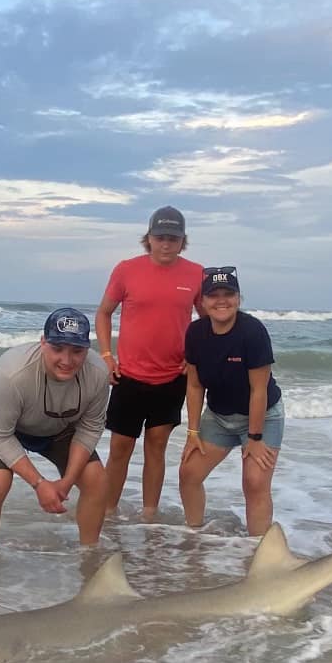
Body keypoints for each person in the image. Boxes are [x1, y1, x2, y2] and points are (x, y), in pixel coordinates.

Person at [0, 308, 109, 559]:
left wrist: (66, 482)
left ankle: (90, 558)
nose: (67, 360)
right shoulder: (10, 374)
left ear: (87, 348)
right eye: (57, 348)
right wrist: (40, 483)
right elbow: (0, 436)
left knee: (95, 479)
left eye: (77, 351)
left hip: (57, 424)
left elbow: (89, 428)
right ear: (43, 342)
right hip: (0, 424)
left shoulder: (98, 374)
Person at [94, 206, 204, 520]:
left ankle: (149, 516)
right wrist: (106, 355)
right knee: (120, 447)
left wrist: (193, 357)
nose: (166, 244)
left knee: (156, 447)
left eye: (173, 238)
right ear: (149, 239)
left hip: (172, 377)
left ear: (183, 241)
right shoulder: (127, 269)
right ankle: (108, 512)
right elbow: (103, 312)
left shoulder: (196, 273)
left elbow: (208, 322)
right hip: (129, 375)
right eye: (160, 237)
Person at [178, 266, 285, 536]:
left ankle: (258, 551)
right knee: (188, 474)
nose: (221, 300)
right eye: (213, 295)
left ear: (239, 299)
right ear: (202, 301)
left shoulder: (252, 332)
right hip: (218, 417)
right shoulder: (196, 332)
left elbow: (258, 390)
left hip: (262, 416)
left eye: (229, 294)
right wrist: (192, 432)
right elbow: (194, 384)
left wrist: (256, 438)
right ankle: (193, 536)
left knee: (255, 482)